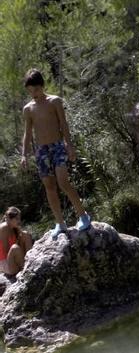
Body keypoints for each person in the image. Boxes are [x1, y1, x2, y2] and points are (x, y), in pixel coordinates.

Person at [19, 69, 91, 239]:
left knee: (63, 182)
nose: (33, 93)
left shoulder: (55, 102)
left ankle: (83, 216)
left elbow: (64, 125)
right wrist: (24, 154)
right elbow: (28, 133)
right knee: (49, 187)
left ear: (42, 86)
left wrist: (69, 145)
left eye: (35, 89)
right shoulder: (28, 109)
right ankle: (60, 223)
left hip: (58, 146)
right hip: (41, 150)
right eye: (30, 91)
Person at [0, 207, 33, 277]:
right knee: (15, 248)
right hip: (6, 263)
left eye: (19, 218)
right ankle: (26, 269)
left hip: (15, 258)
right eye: (17, 219)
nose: (19, 221)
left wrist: (19, 230)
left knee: (26, 234)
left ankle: (30, 260)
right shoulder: (4, 228)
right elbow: (7, 252)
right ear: (9, 218)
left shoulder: (13, 227)